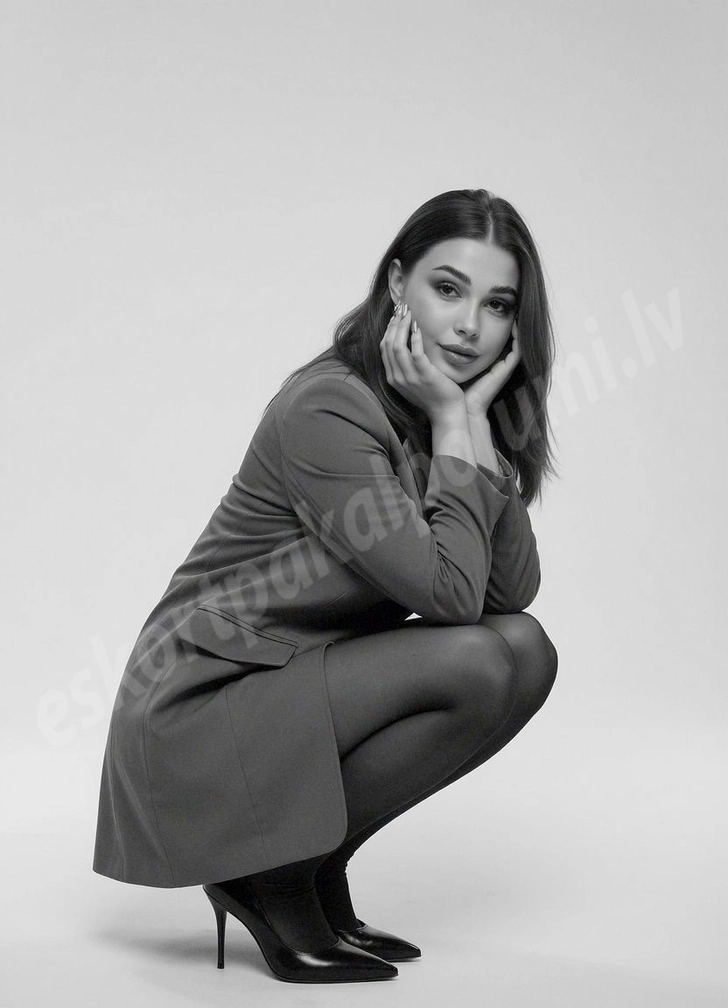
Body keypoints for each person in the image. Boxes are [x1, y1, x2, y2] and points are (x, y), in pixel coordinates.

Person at [93, 188, 559, 984]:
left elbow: (508, 593)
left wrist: (470, 428)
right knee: (479, 661)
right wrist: (456, 427)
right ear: (398, 284)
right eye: (448, 289)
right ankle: (271, 873)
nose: (469, 326)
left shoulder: (433, 412)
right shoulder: (330, 408)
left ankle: (305, 868)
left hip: (287, 681)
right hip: (200, 699)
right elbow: (453, 599)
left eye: (497, 305)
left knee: (525, 649)